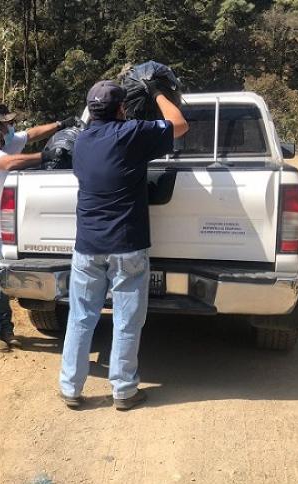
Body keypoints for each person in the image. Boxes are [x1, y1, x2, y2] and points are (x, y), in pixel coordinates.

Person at [58, 81, 189, 409]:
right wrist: (158, 92)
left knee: (81, 317)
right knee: (126, 320)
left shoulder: (82, 141)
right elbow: (180, 124)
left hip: (87, 245)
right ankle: (124, 391)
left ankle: (70, 388)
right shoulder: (131, 134)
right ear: (121, 109)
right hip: (126, 245)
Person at [0, 103, 71, 352]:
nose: (12, 128)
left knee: (3, 284)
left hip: (0, 231)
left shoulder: (3, 144)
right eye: (7, 124)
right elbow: (11, 164)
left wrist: (60, 125)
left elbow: (32, 134)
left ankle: (5, 329)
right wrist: (45, 157)